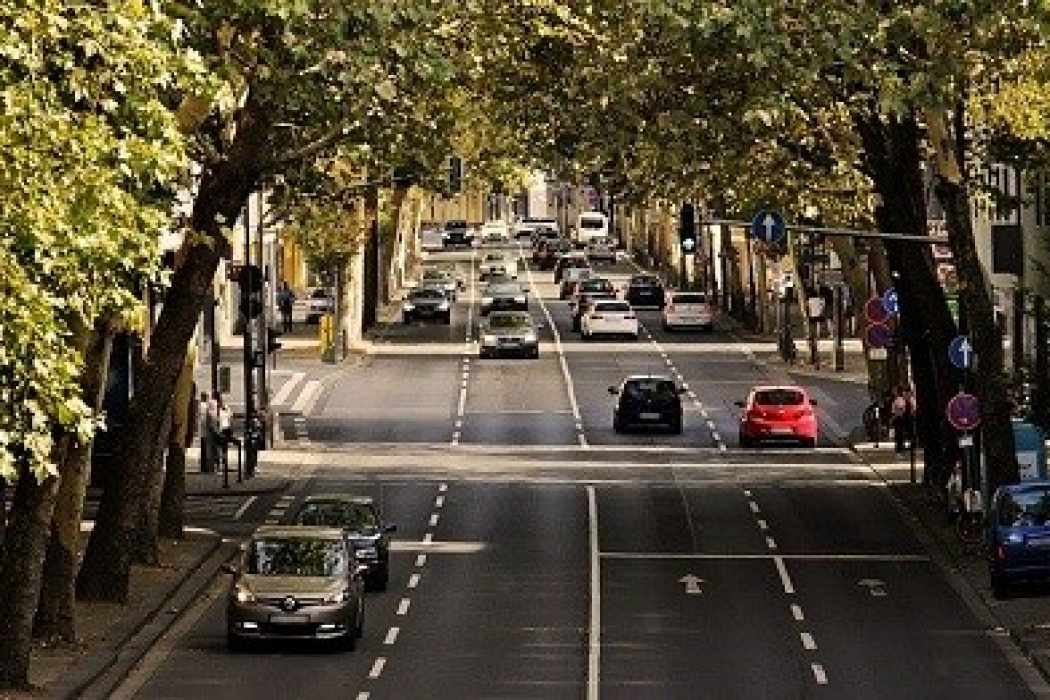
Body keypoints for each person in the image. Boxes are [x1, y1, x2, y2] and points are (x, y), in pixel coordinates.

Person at [891, 386, 916, 456]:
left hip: (910, 418)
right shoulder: (898, 400)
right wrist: (899, 411)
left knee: (912, 434)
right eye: (905, 393)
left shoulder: (912, 400)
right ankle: (899, 450)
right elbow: (894, 411)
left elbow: (914, 409)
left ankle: (912, 449)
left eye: (909, 393)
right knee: (899, 435)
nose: (907, 395)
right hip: (900, 419)